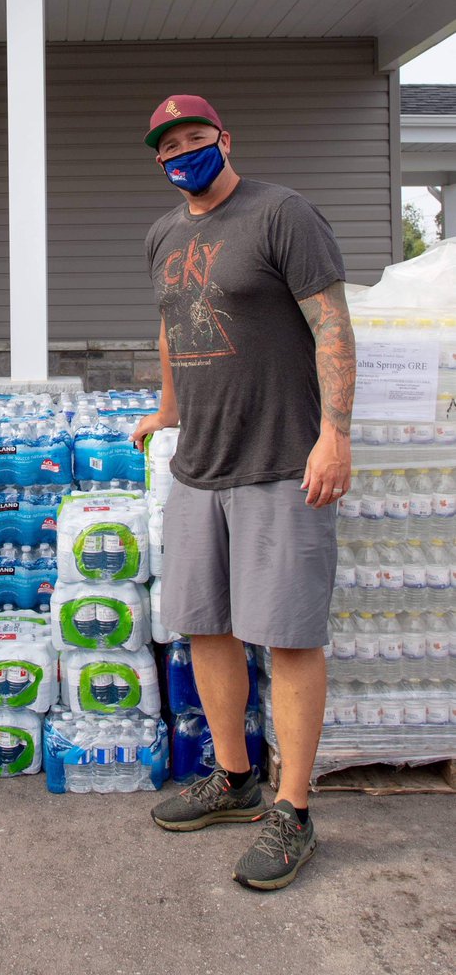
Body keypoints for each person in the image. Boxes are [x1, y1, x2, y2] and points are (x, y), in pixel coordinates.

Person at [130, 95, 356, 891]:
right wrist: (165, 411)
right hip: (199, 465)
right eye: (168, 145)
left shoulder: (281, 214)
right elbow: (169, 324)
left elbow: (329, 322)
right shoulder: (163, 234)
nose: (182, 152)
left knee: (288, 637)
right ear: (156, 158)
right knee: (206, 629)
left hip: (280, 461)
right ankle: (235, 779)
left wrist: (335, 432)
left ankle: (291, 812)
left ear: (224, 139)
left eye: (195, 138)